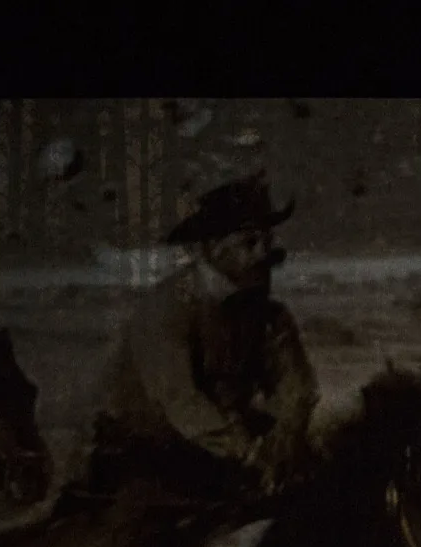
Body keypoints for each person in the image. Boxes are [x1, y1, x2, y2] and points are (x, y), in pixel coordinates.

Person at [81, 172, 318, 505]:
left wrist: (284, 443)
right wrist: (249, 453)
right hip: (143, 454)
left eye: (268, 241)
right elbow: (180, 400)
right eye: (249, 243)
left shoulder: (269, 315)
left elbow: (298, 388)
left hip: (224, 453)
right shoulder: (167, 309)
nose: (264, 253)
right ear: (212, 249)